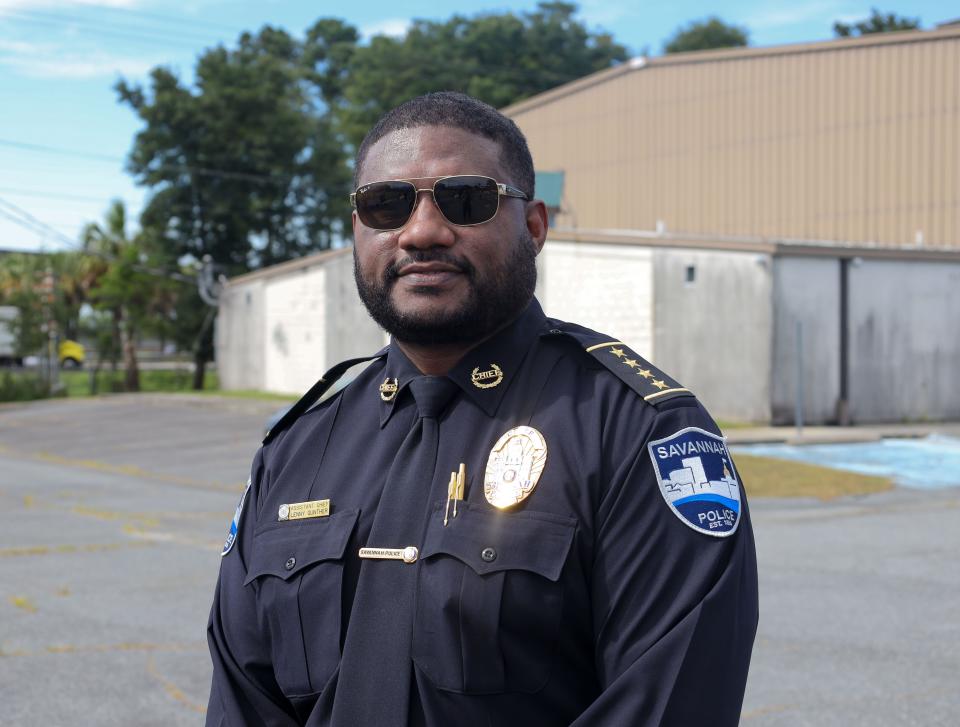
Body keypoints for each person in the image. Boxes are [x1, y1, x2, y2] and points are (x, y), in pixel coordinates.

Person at [206, 91, 758, 727]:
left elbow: (666, 706)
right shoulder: (299, 448)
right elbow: (243, 703)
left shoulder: (640, 432)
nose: (421, 232)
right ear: (357, 230)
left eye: (465, 201)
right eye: (386, 205)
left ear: (533, 226)